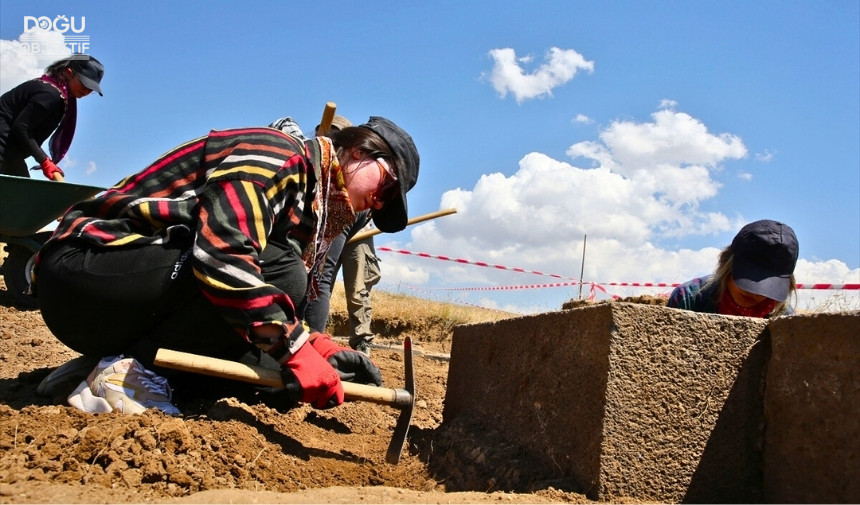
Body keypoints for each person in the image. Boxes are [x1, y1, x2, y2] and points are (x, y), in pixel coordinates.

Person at [34, 116, 420, 416]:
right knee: (285, 273)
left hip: (116, 300)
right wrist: (296, 349)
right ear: (359, 152)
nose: (378, 203)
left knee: (268, 378)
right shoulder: (278, 154)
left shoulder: (306, 202)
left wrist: (316, 348)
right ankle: (128, 375)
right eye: (386, 187)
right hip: (82, 268)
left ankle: (116, 367)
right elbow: (223, 252)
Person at [0, 54, 104, 179]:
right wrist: (44, 161)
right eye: (84, 83)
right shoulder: (50, 95)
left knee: (24, 194)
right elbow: (21, 127)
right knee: (21, 194)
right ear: (68, 72)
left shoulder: (57, 95)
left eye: (91, 89)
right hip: (5, 150)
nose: (86, 91)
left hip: (10, 153)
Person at [666, 219, 798, 317]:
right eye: (750, 277)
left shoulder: (785, 319)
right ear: (727, 265)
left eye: (768, 285)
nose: (755, 292)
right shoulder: (689, 300)